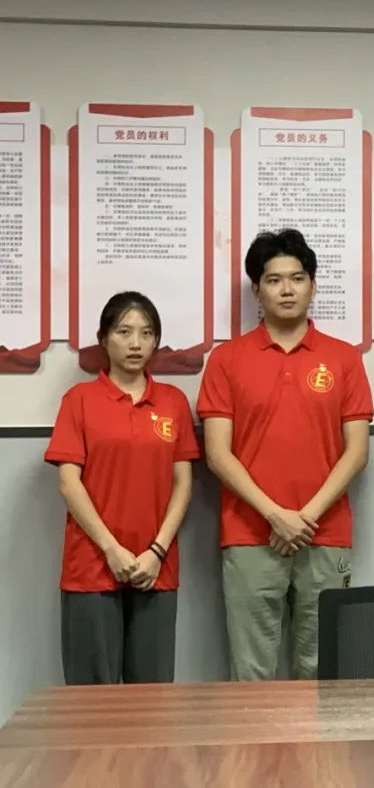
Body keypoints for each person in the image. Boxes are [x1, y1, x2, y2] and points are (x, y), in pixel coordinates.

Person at [198, 229, 374, 681]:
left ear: (313, 285)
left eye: (297, 278)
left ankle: (317, 739)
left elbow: (356, 452)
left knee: (322, 668)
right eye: (274, 280)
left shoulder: (344, 359)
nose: (287, 289)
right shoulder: (226, 359)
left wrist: (304, 518)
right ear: (256, 290)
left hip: (325, 532)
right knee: (251, 670)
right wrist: (275, 515)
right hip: (249, 533)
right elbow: (217, 454)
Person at [45, 292, 198, 685]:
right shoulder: (79, 400)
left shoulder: (173, 402)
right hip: (91, 566)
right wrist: (111, 549)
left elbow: (183, 484)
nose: (135, 343)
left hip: (155, 567)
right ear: (104, 338)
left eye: (146, 333)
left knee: (151, 695)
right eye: (124, 332)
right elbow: (68, 483)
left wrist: (157, 550)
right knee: (92, 695)